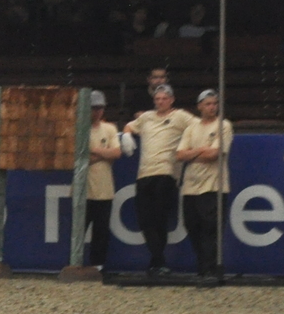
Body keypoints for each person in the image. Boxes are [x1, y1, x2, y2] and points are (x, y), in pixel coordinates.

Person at [124, 82, 196, 277]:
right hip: (144, 173)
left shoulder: (180, 116)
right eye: (157, 99)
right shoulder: (147, 117)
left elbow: (198, 127)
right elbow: (130, 125)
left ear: (172, 100)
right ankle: (157, 259)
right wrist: (127, 136)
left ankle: (158, 260)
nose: (161, 102)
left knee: (159, 218)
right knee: (145, 220)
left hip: (166, 172)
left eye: (164, 99)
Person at [177, 89, 232, 284]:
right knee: (192, 226)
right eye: (207, 104)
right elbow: (179, 155)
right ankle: (202, 265)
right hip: (191, 186)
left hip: (212, 185)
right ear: (199, 106)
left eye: (214, 104)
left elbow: (214, 154)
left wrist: (193, 153)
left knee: (210, 228)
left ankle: (210, 268)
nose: (211, 107)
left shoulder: (223, 126)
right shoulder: (191, 128)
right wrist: (201, 149)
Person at [83, 90, 124, 271]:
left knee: (101, 230)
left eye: (100, 108)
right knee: (79, 229)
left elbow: (116, 152)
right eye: (93, 108)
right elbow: (80, 158)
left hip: (104, 188)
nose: (97, 111)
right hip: (83, 189)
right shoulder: (79, 129)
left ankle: (98, 264)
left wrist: (95, 151)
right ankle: (75, 263)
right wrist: (104, 153)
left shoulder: (110, 129)